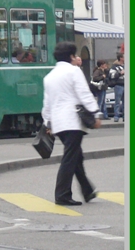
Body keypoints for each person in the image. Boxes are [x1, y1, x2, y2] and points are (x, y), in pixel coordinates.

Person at [41, 41, 100, 206]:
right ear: (71, 56)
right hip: (72, 121)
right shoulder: (74, 72)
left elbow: (47, 103)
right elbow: (84, 93)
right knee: (70, 158)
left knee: (76, 156)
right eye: (75, 55)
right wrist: (95, 112)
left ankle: (87, 190)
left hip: (58, 124)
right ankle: (62, 194)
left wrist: (48, 123)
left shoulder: (49, 76)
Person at [107, 54, 124, 121]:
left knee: (125, 103)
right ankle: (116, 116)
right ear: (120, 58)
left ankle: (125, 116)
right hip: (119, 85)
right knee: (117, 102)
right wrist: (120, 73)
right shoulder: (114, 67)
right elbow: (112, 75)